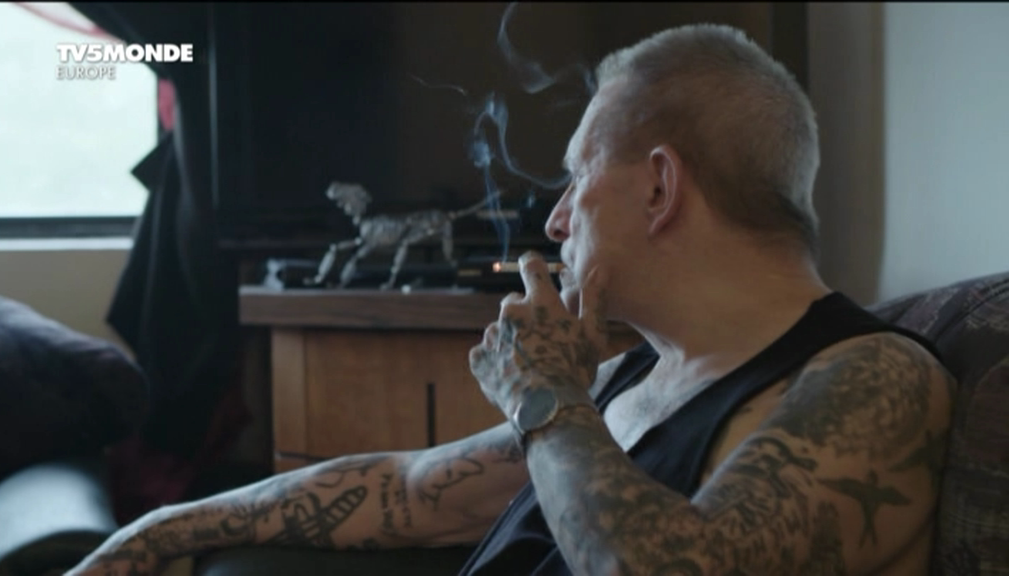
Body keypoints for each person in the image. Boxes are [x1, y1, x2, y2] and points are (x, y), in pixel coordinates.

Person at [67, 22, 953, 576]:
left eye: (577, 178)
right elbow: (416, 489)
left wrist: (545, 394)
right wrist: (163, 527)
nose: (557, 219)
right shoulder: (632, 378)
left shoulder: (871, 378)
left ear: (659, 188)